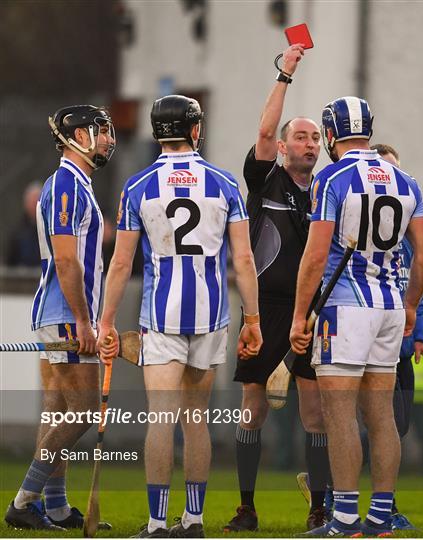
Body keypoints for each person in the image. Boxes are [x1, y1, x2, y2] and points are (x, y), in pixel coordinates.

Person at [97, 94, 262, 539]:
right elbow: (243, 261)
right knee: (196, 420)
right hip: (212, 316)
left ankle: (155, 524)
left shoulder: (137, 186)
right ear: (195, 130)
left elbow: (119, 264)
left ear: (155, 133)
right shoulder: (225, 183)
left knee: (161, 419)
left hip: (162, 316)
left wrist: (106, 321)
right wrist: (254, 320)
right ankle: (192, 521)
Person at [290, 96, 423, 537]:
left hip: (345, 310)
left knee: (339, 415)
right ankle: (381, 517)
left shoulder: (331, 177)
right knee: (381, 416)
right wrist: (410, 305)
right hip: (390, 307)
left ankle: (347, 518)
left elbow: (316, 256)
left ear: (330, 134)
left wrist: (300, 316)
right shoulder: (405, 179)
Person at [223, 44, 331, 533]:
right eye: (300, 137)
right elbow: (265, 129)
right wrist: (284, 74)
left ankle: (319, 509)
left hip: (312, 310)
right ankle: (246, 507)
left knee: (315, 413)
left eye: (314, 139)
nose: (308, 144)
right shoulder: (266, 179)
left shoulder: (330, 188)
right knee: (253, 408)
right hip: (264, 308)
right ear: (284, 147)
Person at [4, 105, 115, 531]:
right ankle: (23, 501)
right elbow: (68, 262)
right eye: (100, 132)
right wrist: (85, 322)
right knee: (83, 412)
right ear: (79, 136)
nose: (107, 139)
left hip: (59, 313)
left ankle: (55, 507)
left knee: (57, 413)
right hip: (68, 315)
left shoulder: (74, 184)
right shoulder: (68, 184)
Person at [369, 144, 423, 529]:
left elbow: (417, 294)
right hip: (368, 339)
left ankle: (328, 486)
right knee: (379, 422)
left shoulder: (409, 238)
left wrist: (422, 339)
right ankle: (371, 504)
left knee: (398, 426)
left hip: (401, 343)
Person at [6, 181, 42, 267]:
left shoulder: (50, 230)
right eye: (32, 202)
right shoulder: (17, 233)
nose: (34, 206)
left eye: (36, 202)